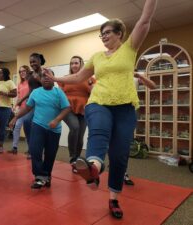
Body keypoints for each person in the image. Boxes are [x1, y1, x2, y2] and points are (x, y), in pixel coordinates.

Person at [44, 0, 158, 219]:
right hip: (99, 102)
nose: (103, 36)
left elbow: (144, 21)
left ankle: (113, 198)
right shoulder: (96, 57)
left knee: (119, 154)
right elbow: (78, 77)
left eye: (107, 32)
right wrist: (55, 77)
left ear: (119, 34)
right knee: (98, 132)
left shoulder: (129, 49)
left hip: (125, 107)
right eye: (101, 34)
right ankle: (94, 167)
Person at [10, 71, 70, 189]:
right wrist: (15, 118)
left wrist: (56, 120)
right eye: (43, 76)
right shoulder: (36, 92)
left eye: (48, 76)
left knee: (50, 154)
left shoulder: (59, 92)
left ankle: (46, 176)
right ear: (40, 79)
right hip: (38, 126)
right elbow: (27, 108)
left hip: (54, 129)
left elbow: (67, 108)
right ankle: (39, 176)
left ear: (53, 78)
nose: (46, 78)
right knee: (35, 150)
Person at [58, 56, 94, 173]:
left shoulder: (89, 78)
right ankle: (73, 157)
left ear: (81, 64)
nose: (74, 65)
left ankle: (77, 160)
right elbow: (60, 94)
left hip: (83, 109)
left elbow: (93, 93)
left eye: (76, 63)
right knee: (75, 127)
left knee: (80, 134)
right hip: (67, 108)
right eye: (72, 63)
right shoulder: (66, 79)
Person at [124, 71, 156, 185]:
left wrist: (140, 76)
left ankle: (123, 172)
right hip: (112, 109)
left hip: (129, 110)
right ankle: (115, 164)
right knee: (113, 142)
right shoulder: (114, 71)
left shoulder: (135, 75)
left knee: (125, 142)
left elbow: (153, 86)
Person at [16, 53, 44, 159]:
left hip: (42, 103)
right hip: (31, 102)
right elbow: (31, 90)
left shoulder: (45, 72)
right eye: (31, 62)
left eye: (34, 61)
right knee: (27, 122)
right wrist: (21, 100)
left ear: (40, 61)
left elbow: (50, 86)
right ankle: (31, 148)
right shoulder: (31, 74)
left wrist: (39, 80)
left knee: (34, 125)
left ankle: (37, 149)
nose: (32, 64)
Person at [8, 65, 32, 154]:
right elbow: (19, 97)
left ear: (28, 71)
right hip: (21, 109)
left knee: (28, 129)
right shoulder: (20, 84)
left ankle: (30, 149)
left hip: (30, 108)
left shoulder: (31, 82)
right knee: (17, 127)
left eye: (24, 71)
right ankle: (14, 148)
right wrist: (16, 106)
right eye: (20, 71)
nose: (22, 73)